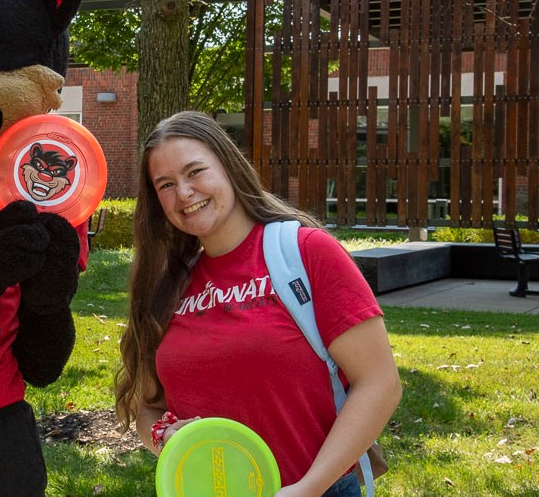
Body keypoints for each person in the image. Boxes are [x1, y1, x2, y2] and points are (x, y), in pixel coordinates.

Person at [115, 111, 402, 497]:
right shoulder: (167, 287)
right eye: (166, 184)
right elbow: (148, 407)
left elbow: (379, 384)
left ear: (229, 167)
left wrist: (310, 487)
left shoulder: (305, 253)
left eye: (195, 171)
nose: (183, 193)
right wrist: (164, 437)